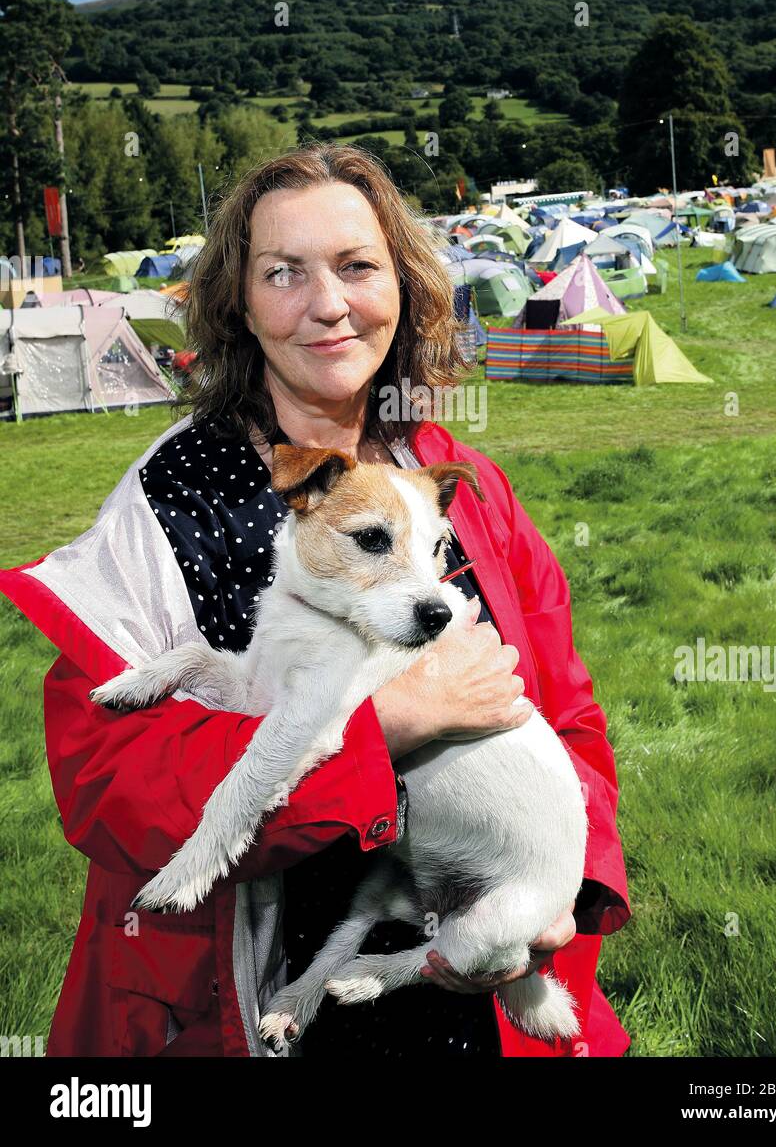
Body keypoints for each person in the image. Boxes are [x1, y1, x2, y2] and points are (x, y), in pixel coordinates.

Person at [0, 143, 631, 1057]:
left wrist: (554, 896)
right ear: (239, 304)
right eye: (283, 273)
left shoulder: (463, 489)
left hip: (468, 1001)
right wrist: (381, 729)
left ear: (404, 287)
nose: (328, 305)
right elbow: (105, 785)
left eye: (357, 266)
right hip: (231, 1002)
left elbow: (569, 716)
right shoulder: (166, 506)